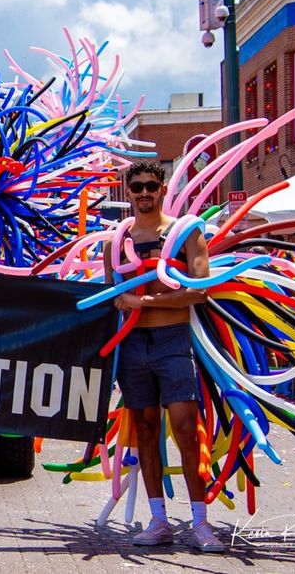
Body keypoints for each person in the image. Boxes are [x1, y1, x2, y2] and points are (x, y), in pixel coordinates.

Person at [104, 161, 225, 553]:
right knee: (146, 430)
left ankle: (201, 523)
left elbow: (200, 289)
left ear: (161, 188)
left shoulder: (185, 232)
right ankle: (158, 521)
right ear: (128, 190)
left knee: (187, 430)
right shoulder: (115, 242)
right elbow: (111, 298)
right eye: (136, 186)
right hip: (134, 345)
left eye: (150, 186)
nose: (143, 193)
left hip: (174, 340)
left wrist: (144, 299)